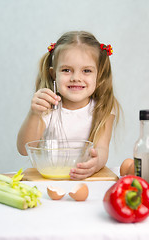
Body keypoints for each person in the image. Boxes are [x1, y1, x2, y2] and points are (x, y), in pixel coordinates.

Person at [17, 31, 120, 180]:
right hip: (49, 180)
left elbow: (102, 148)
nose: (76, 78)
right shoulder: (47, 108)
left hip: (85, 181)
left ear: (98, 75)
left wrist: (96, 163)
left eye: (86, 71)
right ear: (54, 74)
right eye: (66, 70)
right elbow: (23, 149)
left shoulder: (103, 109)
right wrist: (34, 114)